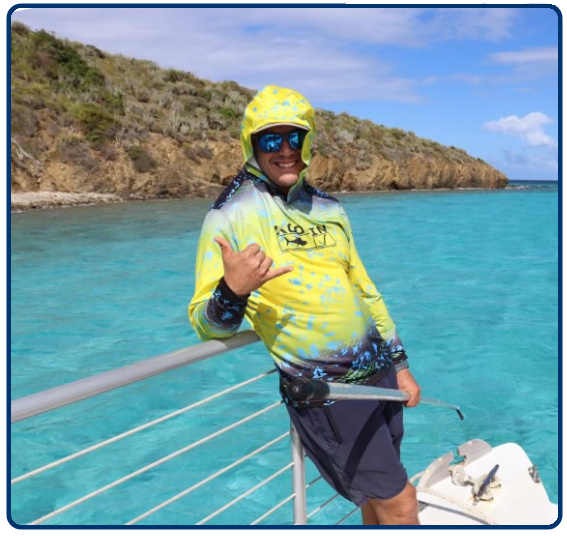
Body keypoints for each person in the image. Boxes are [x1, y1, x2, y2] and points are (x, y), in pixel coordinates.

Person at [189, 85, 421, 525]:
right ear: (251, 144)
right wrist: (232, 291)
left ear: (308, 141)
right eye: (270, 140)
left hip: (380, 375)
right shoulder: (229, 217)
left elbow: (364, 288)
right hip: (329, 391)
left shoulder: (328, 207)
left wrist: (401, 363)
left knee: (377, 501)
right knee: (401, 501)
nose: (285, 150)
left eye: (294, 137)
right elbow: (205, 324)